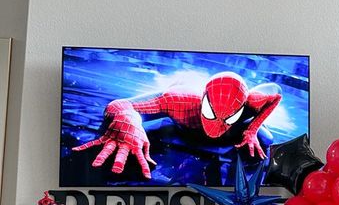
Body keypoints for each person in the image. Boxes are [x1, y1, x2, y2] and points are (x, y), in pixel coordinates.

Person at [74, 72, 281, 179]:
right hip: (182, 125)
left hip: (233, 133)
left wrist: (252, 130)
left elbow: (275, 95)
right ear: (203, 101)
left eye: (226, 117)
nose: (216, 126)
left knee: (265, 139)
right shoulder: (179, 101)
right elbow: (122, 105)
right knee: (127, 134)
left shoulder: (252, 104)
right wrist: (131, 126)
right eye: (211, 113)